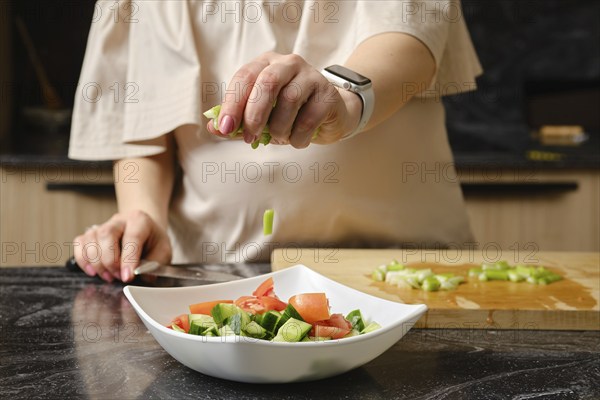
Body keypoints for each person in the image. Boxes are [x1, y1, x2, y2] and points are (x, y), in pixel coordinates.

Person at [69, 0, 482, 283]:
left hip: (410, 270)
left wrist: (341, 100)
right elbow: (145, 128)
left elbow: (410, 44)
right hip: (219, 278)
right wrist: (143, 216)